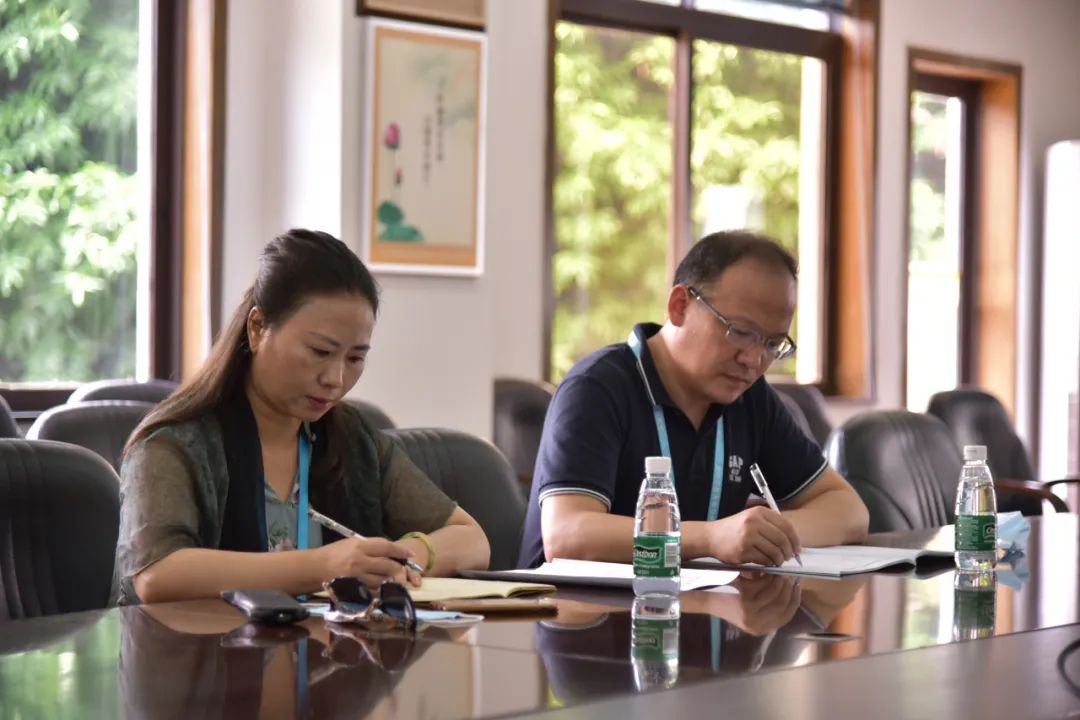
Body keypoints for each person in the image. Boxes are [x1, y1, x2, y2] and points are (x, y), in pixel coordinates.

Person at [115, 228, 490, 605]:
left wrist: (400, 558)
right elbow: (157, 575)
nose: (336, 379)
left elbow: (472, 539)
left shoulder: (351, 438)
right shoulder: (175, 443)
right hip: (207, 644)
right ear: (257, 328)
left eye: (355, 358)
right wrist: (322, 566)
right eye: (319, 352)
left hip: (328, 642)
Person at [518, 230, 868, 569]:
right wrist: (710, 538)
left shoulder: (750, 398)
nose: (753, 360)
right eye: (740, 332)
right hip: (575, 605)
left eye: (773, 343)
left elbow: (848, 510)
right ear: (679, 306)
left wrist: (768, 535)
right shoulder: (597, 387)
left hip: (696, 602)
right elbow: (567, 535)